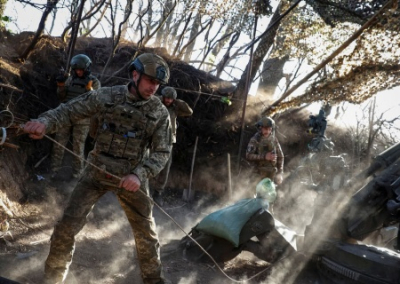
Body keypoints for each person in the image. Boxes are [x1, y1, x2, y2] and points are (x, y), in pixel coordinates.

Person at [23, 53, 172, 284]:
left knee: (147, 235)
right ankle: (52, 279)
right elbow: (69, 110)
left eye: (158, 83)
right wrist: (45, 122)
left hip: (131, 178)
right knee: (66, 226)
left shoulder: (159, 113)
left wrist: (139, 174)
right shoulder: (106, 96)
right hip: (96, 171)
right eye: (150, 80)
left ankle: (154, 281)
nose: (154, 87)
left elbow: (163, 152)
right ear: (135, 74)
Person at [52, 54, 101, 179]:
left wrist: (90, 90)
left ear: (87, 69)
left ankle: (77, 175)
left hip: (83, 119)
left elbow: (96, 101)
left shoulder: (94, 82)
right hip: (66, 115)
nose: (79, 72)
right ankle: (54, 170)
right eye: (76, 70)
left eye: (81, 70)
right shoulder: (70, 79)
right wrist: (61, 86)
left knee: (78, 148)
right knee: (58, 143)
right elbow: (61, 97)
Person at [152, 87, 193, 205]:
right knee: (147, 162)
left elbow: (189, 111)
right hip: (153, 139)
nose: (168, 101)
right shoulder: (156, 103)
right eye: (166, 98)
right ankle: (144, 189)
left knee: (165, 168)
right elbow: (148, 101)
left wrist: (177, 101)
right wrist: (160, 99)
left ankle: (158, 193)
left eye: (170, 99)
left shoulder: (175, 109)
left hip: (168, 141)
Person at [246, 116, 284, 186]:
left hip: (271, 174)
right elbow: (248, 156)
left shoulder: (274, 140)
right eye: (266, 129)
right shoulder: (255, 140)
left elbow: (280, 157)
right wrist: (264, 157)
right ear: (261, 128)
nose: (268, 131)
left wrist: (280, 173)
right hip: (257, 174)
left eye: (270, 129)